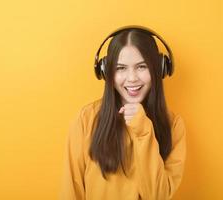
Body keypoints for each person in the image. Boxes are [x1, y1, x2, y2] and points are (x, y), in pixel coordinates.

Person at [60, 25, 187, 200]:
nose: (132, 78)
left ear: (159, 68)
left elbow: (158, 195)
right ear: (106, 72)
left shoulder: (173, 125)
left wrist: (143, 130)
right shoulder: (86, 119)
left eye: (141, 67)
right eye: (121, 68)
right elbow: (71, 191)